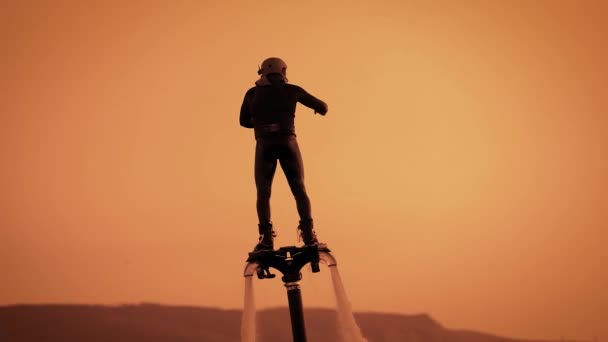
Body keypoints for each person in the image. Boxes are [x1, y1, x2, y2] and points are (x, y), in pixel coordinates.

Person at [240, 57, 328, 252]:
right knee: (299, 189)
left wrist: (263, 122)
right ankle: (308, 234)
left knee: (263, 192)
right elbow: (323, 107)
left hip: (264, 144)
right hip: (288, 141)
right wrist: (315, 110)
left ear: (261, 72)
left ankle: (266, 239)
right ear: (283, 71)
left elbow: (243, 121)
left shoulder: (251, 93)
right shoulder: (292, 90)